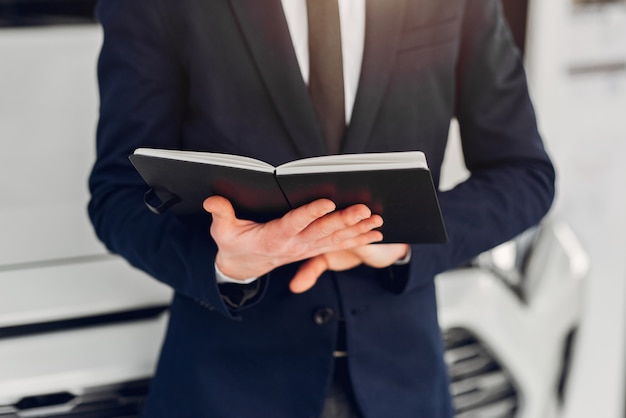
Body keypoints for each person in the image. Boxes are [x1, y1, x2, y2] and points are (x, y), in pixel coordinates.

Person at [88, 0, 555, 417]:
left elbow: (524, 173)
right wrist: (225, 264)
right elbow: (119, 194)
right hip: (227, 390)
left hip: (404, 385)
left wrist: (402, 243)